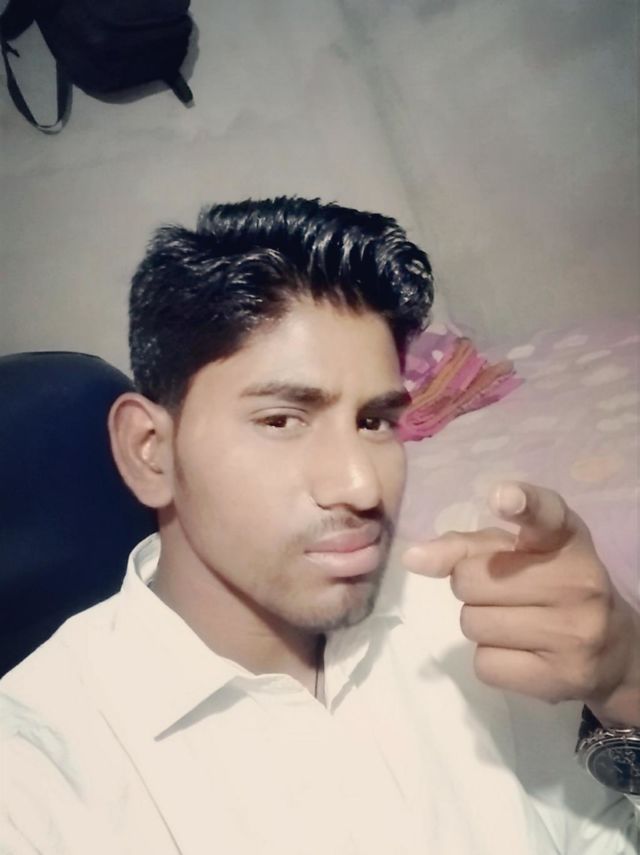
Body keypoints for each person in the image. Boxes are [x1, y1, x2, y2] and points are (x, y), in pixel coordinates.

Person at [1, 197, 638, 854]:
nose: (362, 484)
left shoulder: (466, 622)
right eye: (282, 420)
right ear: (151, 451)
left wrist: (627, 684)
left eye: (374, 422)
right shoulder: (31, 782)